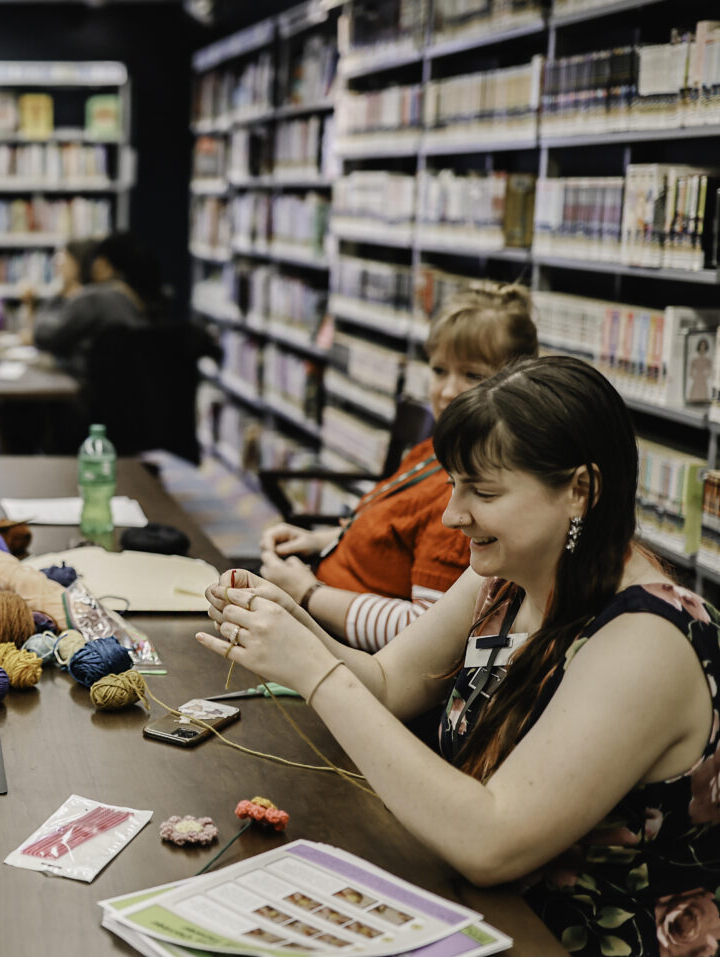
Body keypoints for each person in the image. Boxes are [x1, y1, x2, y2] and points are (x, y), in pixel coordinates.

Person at [200, 355, 720, 956]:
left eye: (484, 491)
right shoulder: (509, 575)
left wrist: (314, 672)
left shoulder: (648, 641)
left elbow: (493, 842)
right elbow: (391, 682)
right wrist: (290, 623)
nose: (452, 515)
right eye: (454, 484)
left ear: (581, 490)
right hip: (478, 913)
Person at [259, 286, 538, 650]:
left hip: (343, 649)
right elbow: (392, 537)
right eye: (439, 371)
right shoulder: (433, 450)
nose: (447, 391)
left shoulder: (466, 500)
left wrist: (308, 593)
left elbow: (423, 633)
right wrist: (321, 539)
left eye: (472, 376)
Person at [33, 231, 166, 381]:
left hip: (91, 396)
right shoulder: (141, 302)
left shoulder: (96, 298)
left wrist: (60, 292)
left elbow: (44, 336)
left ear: (102, 266)